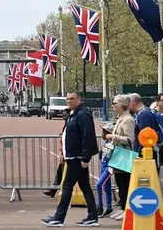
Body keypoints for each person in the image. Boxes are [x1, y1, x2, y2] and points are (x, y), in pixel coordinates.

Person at [41, 92, 99, 227]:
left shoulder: (83, 114)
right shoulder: (73, 114)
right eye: (67, 99)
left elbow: (88, 136)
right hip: (72, 156)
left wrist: (85, 157)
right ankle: (92, 216)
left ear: (79, 99)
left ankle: (59, 217)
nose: (69, 101)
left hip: (77, 157)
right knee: (85, 186)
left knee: (67, 187)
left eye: (72, 98)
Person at [106, 94, 135, 222]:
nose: (113, 105)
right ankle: (123, 207)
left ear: (122, 105)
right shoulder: (120, 118)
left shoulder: (128, 119)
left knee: (125, 184)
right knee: (119, 182)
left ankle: (127, 209)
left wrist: (113, 137)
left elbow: (130, 140)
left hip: (124, 155)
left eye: (115, 103)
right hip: (118, 154)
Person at [43, 108, 70, 198]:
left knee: (65, 173)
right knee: (60, 172)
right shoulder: (67, 124)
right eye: (63, 115)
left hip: (69, 154)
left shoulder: (71, 123)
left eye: (65, 115)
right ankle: (53, 191)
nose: (63, 117)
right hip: (65, 153)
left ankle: (57, 191)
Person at [96, 123, 114, 218]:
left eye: (104, 132)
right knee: (106, 188)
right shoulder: (106, 143)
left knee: (99, 185)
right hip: (103, 167)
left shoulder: (112, 144)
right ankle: (109, 206)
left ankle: (99, 206)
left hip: (108, 168)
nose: (102, 134)